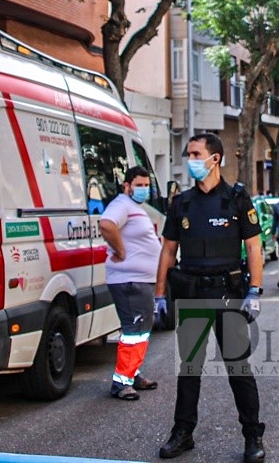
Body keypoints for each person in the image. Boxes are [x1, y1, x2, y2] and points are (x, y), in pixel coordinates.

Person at [153, 133, 266, 463]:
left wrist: (255, 290)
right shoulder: (182, 203)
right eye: (188, 153)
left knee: (238, 369)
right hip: (192, 294)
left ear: (214, 158)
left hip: (228, 294)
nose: (189, 159)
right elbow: (168, 251)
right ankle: (183, 432)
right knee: (189, 370)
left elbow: (254, 247)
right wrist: (159, 295)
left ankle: (252, 436)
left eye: (194, 154)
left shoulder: (236, 199)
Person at [98, 166, 162, 401]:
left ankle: (132, 373)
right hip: (129, 280)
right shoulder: (121, 204)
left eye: (147, 185)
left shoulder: (135, 207)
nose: (144, 189)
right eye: (139, 185)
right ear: (127, 186)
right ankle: (121, 383)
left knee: (141, 330)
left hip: (139, 280)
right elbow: (106, 224)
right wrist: (121, 250)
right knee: (134, 331)